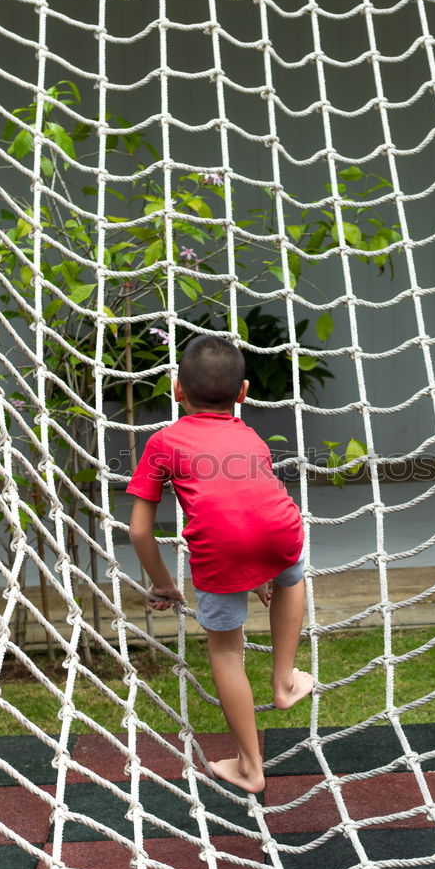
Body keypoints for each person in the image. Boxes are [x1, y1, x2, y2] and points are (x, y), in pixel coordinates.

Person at [127, 334, 314, 793]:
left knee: (228, 651)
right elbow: (250, 507)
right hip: (281, 534)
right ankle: (285, 678)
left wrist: (164, 584)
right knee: (293, 577)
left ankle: (251, 766)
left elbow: (138, 531)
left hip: (220, 552)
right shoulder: (249, 436)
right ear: (243, 392)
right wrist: (261, 573)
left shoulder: (164, 442)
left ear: (176, 390)